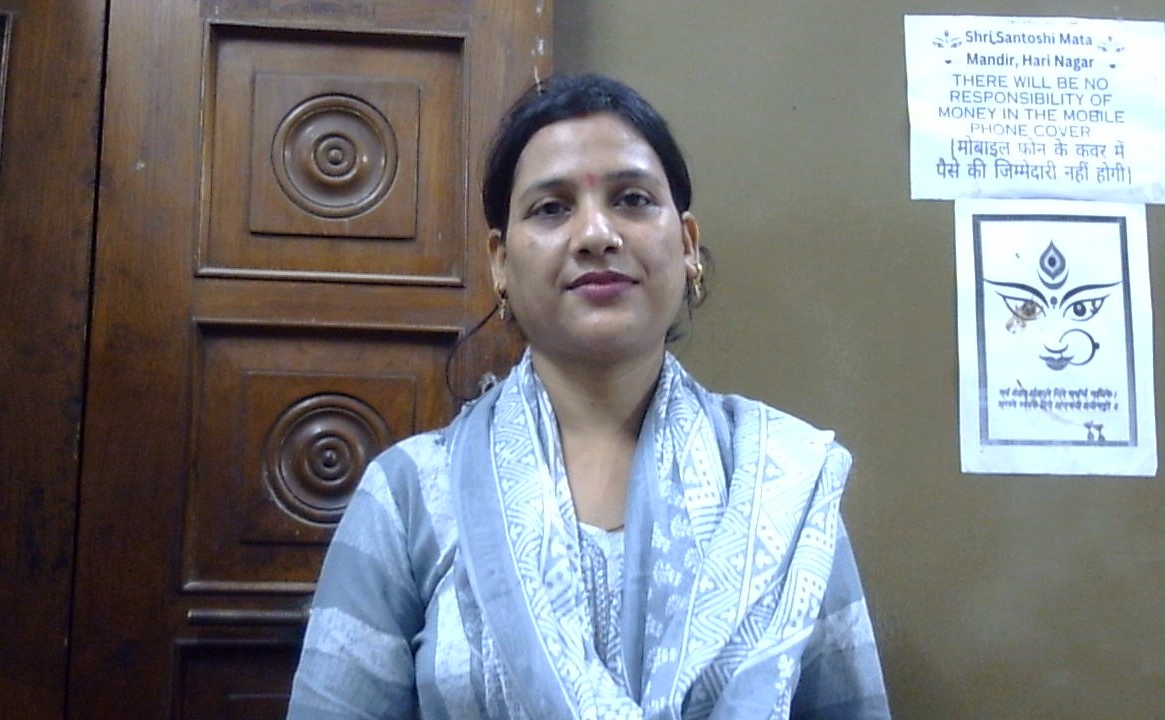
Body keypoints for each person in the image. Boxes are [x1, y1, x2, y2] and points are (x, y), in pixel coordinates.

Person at [286, 73, 890, 719]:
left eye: (632, 199)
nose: (597, 233)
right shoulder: (409, 496)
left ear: (688, 245)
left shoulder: (780, 485)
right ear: (499, 261)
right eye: (552, 208)